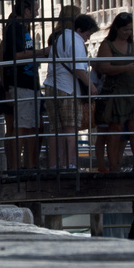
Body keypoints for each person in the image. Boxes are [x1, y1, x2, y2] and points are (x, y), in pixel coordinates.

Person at [0, 0, 48, 171]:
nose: (37, 13)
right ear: (26, 10)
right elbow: (15, 55)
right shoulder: (15, 28)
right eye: (35, 9)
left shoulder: (21, 28)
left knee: (32, 126)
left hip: (29, 84)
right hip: (21, 84)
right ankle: (16, 167)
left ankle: (27, 164)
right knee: (21, 127)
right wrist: (41, 52)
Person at [92, 13, 134, 171]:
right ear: (117, 29)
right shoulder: (107, 45)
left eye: (130, 29)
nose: (128, 33)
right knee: (116, 128)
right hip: (116, 91)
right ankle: (113, 165)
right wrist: (125, 68)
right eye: (125, 30)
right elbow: (103, 67)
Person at [46, 9, 95, 169]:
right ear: (80, 30)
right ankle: (69, 164)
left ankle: (54, 164)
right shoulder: (76, 41)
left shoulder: (59, 37)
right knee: (70, 127)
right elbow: (79, 69)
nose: (87, 39)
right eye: (88, 35)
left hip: (51, 86)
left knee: (55, 128)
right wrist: (92, 87)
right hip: (67, 88)